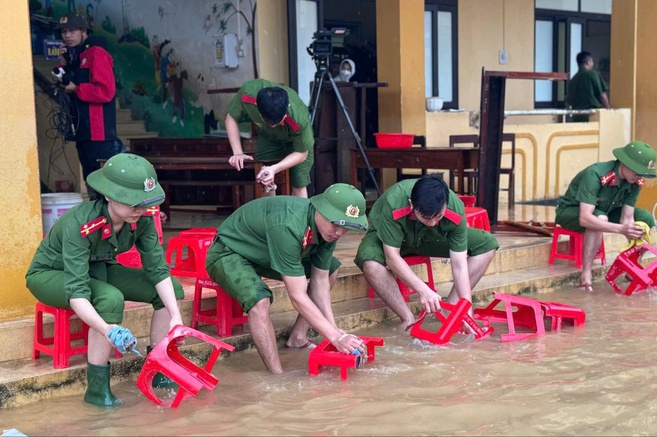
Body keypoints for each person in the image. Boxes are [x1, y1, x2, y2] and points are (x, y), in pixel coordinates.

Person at [26, 154, 185, 407]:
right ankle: (97, 391)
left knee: (171, 290)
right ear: (108, 195)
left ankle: (158, 369)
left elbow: (158, 269)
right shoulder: (81, 223)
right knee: (109, 299)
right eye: (133, 203)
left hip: (98, 269)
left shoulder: (141, 218)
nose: (140, 209)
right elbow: (78, 290)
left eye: (144, 202)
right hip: (51, 274)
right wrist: (108, 329)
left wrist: (176, 317)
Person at [205, 183, 368, 373]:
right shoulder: (289, 225)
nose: (339, 232)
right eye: (335, 223)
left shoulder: (328, 232)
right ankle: (277, 375)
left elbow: (320, 280)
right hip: (229, 251)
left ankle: (298, 338)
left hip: (264, 253)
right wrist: (334, 337)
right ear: (320, 210)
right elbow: (297, 296)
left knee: (331, 268)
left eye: (346, 226)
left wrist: (335, 331)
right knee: (260, 300)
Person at [354, 175, 500, 330]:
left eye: (438, 217)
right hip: (387, 239)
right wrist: (424, 291)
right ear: (412, 204)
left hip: (429, 239)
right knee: (370, 262)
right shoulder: (395, 201)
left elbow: (459, 264)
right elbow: (392, 257)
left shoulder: (454, 208)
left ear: (445, 205)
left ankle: (450, 307)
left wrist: (466, 310)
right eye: (425, 217)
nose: (432, 223)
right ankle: (408, 319)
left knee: (487, 243)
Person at [555, 141, 657, 291]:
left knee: (644, 218)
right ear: (625, 163)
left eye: (643, 174)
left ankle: (633, 267)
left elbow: (627, 218)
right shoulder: (596, 174)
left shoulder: (635, 182)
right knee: (599, 219)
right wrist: (621, 229)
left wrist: (631, 229)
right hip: (571, 211)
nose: (639, 177)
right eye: (637, 172)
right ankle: (586, 274)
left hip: (605, 211)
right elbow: (585, 218)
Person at [54, 12, 120, 200]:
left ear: (84, 31)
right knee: (90, 182)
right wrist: (65, 65)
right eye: (64, 32)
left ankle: (109, 223)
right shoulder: (79, 55)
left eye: (72, 31)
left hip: (98, 133)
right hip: (83, 130)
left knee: (102, 185)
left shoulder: (96, 53)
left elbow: (106, 91)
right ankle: (97, 223)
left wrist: (76, 88)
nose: (67, 35)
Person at [225, 79, 314, 198]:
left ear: (287, 107)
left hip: (295, 143)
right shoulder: (247, 95)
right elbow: (231, 118)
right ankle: (270, 215)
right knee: (263, 178)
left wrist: (275, 168)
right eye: (267, 121)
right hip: (268, 137)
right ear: (257, 107)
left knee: (298, 182)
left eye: (279, 121)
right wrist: (238, 153)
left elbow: (301, 153)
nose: (274, 125)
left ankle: (299, 216)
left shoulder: (299, 118)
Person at [567, 51, 610, 122]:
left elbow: (569, 101)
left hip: (577, 117)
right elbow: (602, 96)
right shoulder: (593, 74)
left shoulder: (573, 80)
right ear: (588, 62)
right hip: (592, 115)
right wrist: (608, 111)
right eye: (592, 61)